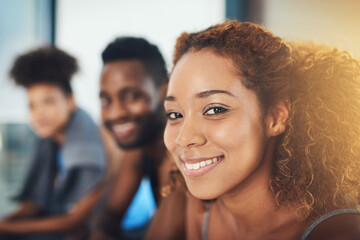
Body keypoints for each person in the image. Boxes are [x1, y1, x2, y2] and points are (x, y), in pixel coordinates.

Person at [162, 20, 360, 239]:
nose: (184, 138)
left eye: (215, 109)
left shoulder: (338, 232)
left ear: (275, 118)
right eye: (175, 114)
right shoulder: (198, 208)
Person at [0, 47, 107, 240]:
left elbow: (76, 220)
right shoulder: (49, 142)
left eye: (48, 102)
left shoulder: (91, 139)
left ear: (70, 101)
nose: (39, 113)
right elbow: (35, 203)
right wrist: (6, 223)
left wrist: (7, 228)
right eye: (32, 105)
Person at [91, 37, 186, 240]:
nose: (116, 113)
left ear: (165, 91)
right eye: (106, 100)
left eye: (133, 96)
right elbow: (110, 215)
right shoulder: (140, 146)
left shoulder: (181, 158)